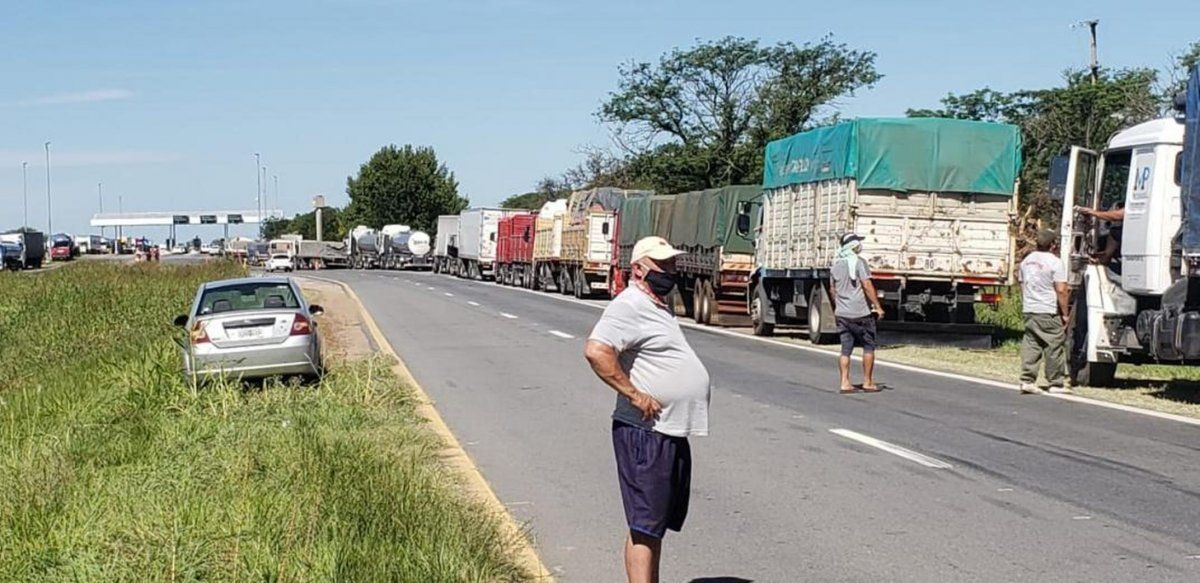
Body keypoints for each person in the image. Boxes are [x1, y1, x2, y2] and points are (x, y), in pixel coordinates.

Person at [584, 236, 711, 583]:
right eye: (662, 265)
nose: (670, 271)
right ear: (639, 269)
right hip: (645, 432)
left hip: (666, 430)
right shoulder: (629, 305)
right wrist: (634, 394)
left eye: (672, 264)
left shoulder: (655, 305)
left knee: (654, 524)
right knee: (645, 524)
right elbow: (597, 350)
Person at [830, 233, 885, 394]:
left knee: (845, 349)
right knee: (868, 347)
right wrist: (877, 306)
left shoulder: (835, 265)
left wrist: (838, 305)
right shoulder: (860, 263)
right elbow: (867, 285)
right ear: (853, 245)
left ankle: (844, 382)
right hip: (861, 313)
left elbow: (832, 289)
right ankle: (867, 382)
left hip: (842, 314)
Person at [1019, 229, 1071, 394]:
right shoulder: (1055, 262)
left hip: (1030, 308)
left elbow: (1022, 284)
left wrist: (1027, 302)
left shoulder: (1026, 261)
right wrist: (1065, 313)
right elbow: (1061, 290)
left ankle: (1027, 379)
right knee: (1054, 344)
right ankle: (1055, 382)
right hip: (1047, 309)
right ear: (1053, 245)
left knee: (1032, 343)